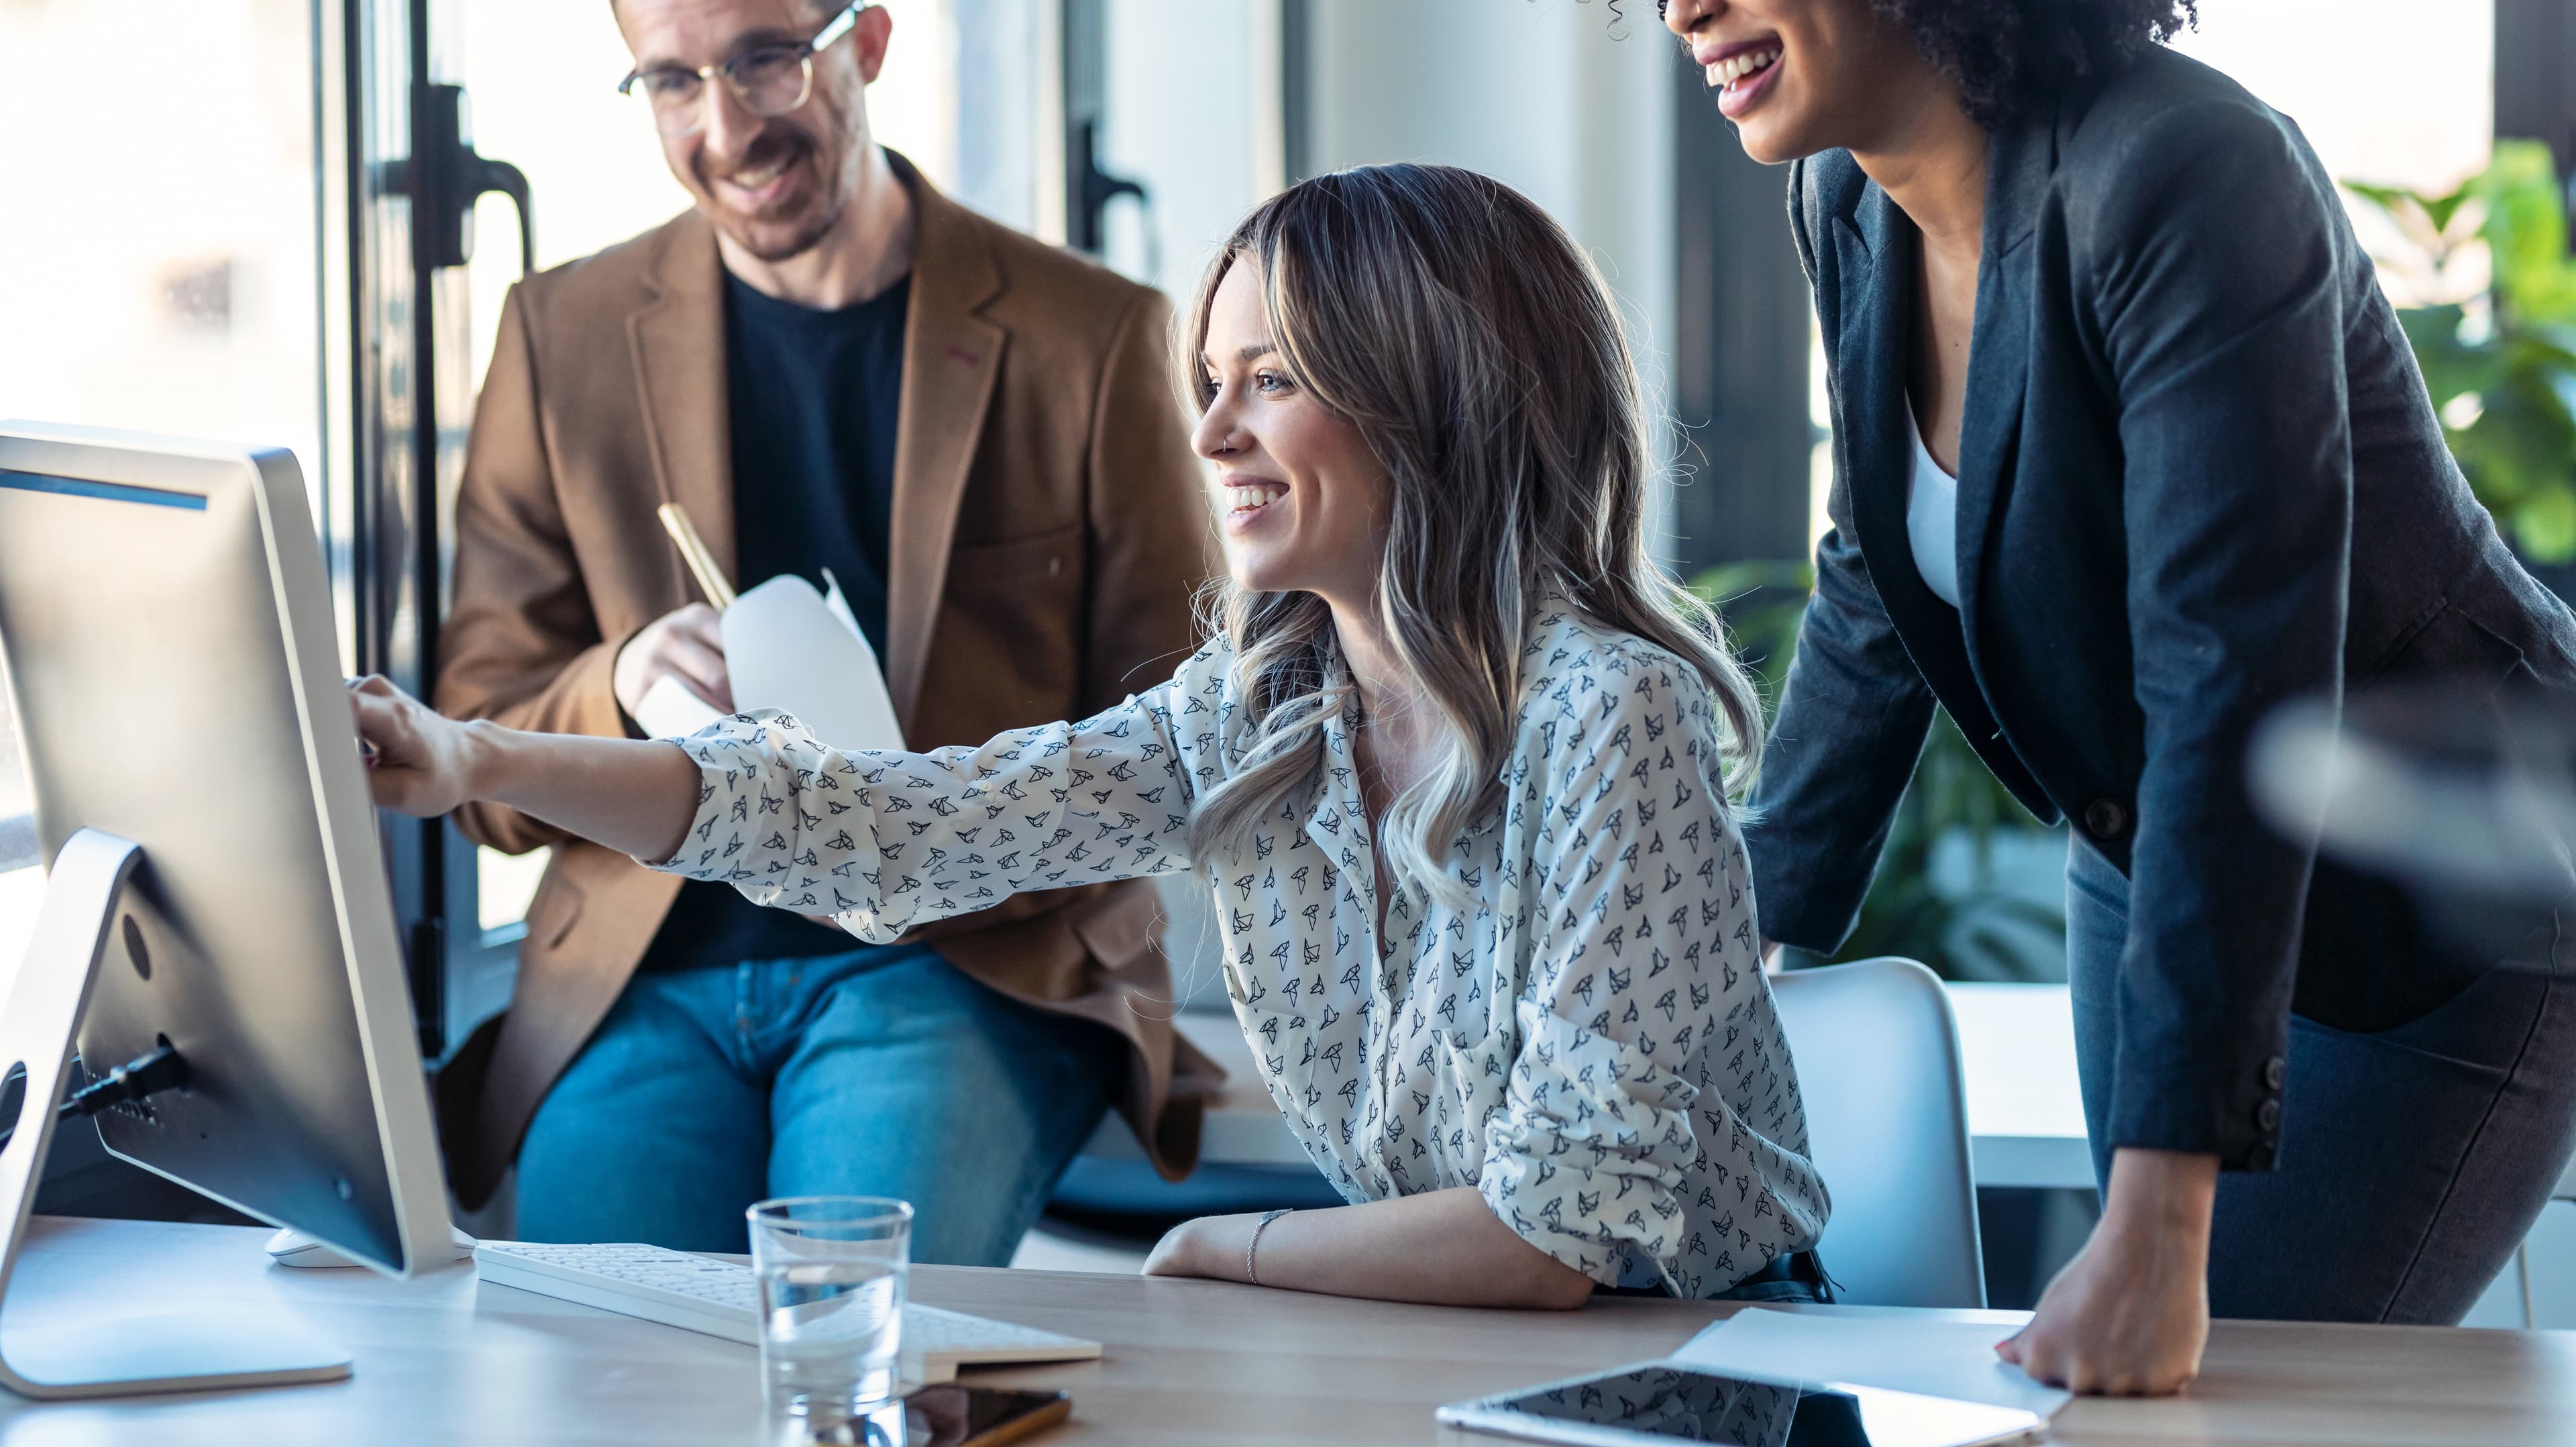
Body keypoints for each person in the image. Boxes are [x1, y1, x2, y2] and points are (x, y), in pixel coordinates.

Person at [1522, 0, 2576, 1394]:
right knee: (2118, 1401)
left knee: (2242, 1391)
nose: (1684, 5)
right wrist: (1716, 963)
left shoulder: (2188, 170)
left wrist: (2160, 1224)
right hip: (2148, 859)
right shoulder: (1850, 208)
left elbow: (2234, 688)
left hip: (2428, 898)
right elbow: (1876, 590)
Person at [362, 162, 1832, 1307]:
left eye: (1272, 379)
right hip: (1468, 1345)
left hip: (1702, 1365)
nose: (1209, 437)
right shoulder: (1263, 704)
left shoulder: (1607, 710)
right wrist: (474, 760)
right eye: (1211, 382)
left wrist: (1221, 1253)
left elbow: (1551, 1234)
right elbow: (883, 830)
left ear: (1431, 398)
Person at [430, 0, 1214, 1263]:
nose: (725, 125)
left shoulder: (1093, 339)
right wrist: (615, 681)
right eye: (671, 81)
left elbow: (1180, 733)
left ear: (866, 45)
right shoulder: (562, 335)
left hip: (960, 960)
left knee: (851, 1324)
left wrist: (940, 833)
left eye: (765, 62)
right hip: (644, 969)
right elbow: (475, 727)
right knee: (600, 1361)